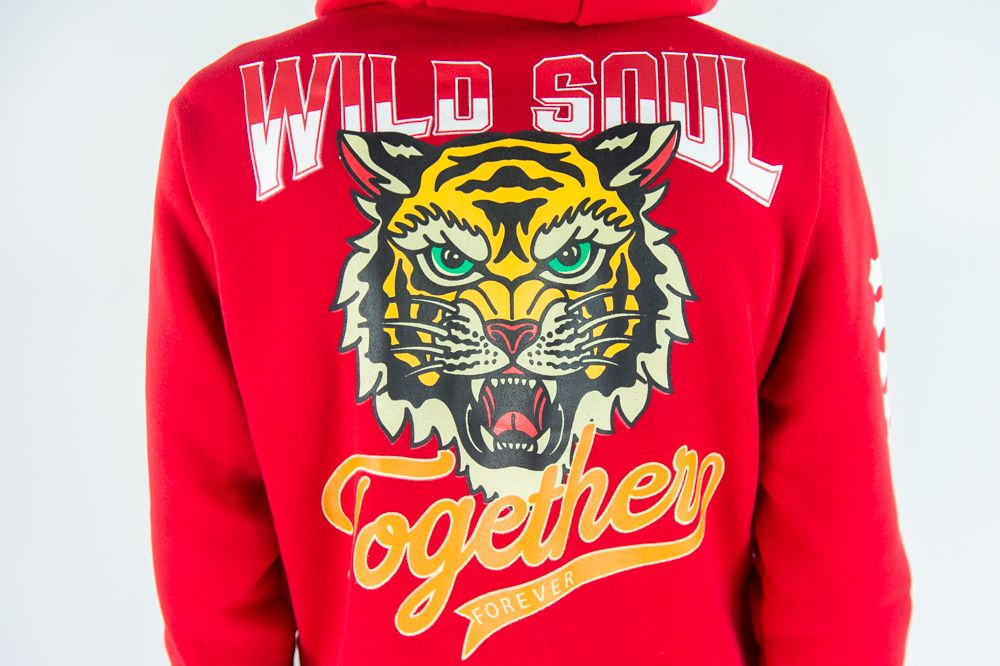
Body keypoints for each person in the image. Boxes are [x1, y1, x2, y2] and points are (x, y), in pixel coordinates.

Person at [145, 1, 912, 663]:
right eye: (451, 259)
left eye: (571, 258)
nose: (512, 315)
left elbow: (211, 577)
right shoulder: (780, 118)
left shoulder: (229, 123)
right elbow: (842, 582)